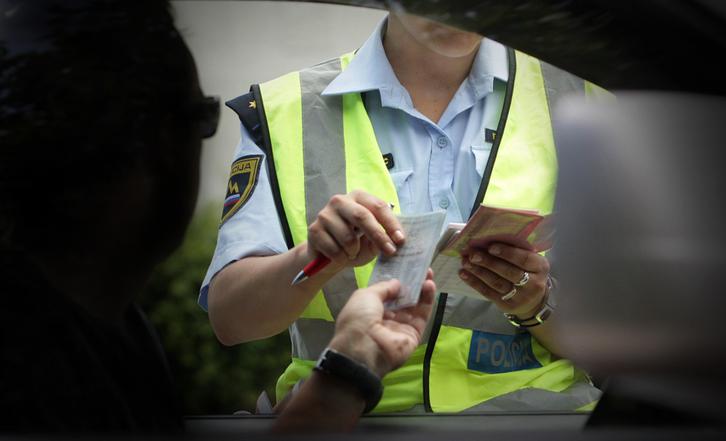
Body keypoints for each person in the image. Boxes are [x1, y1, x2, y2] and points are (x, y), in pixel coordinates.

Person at [0, 0, 435, 433]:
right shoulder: (45, 365)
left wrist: (348, 370)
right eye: (203, 117)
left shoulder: (97, 330)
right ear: (157, 146)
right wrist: (346, 368)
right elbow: (230, 318)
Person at [203, 9, 603, 413]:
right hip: (345, 419)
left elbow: (637, 344)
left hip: (541, 422)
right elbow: (230, 319)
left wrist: (537, 305)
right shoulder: (283, 109)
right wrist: (312, 259)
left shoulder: (584, 100)